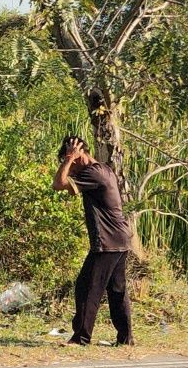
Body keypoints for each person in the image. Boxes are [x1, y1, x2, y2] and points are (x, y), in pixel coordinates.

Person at [52, 134, 135, 346]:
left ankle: (81, 338)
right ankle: (126, 339)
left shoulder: (93, 172)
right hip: (119, 238)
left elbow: (58, 184)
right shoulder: (103, 169)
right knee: (117, 290)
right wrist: (71, 158)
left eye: (70, 163)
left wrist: (69, 158)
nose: (70, 169)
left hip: (108, 241)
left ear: (79, 156)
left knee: (87, 287)